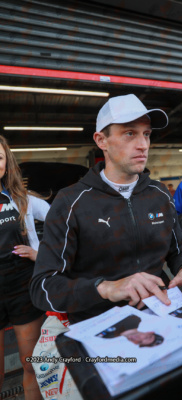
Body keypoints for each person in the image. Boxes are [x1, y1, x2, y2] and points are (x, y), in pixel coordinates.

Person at [30, 94, 182, 326]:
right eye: (130, 133)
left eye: (146, 134)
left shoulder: (159, 194)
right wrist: (105, 288)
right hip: (99, 327)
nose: (143, 144)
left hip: (164, 314)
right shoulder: (70, 202)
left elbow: (180, 249)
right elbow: (42, 287)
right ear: (101, 140)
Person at [0, 135, 49, 400]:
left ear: (7, 163)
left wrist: (38, 253)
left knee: (31, 363)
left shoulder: (22, 199)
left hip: (22, 284)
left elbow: (61, 221)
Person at [96, 315, 164, 347]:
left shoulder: (107, 336)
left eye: (140, 342)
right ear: (150, 332)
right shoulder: (134, 319)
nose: (138, 339)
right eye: (146, 337)